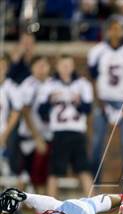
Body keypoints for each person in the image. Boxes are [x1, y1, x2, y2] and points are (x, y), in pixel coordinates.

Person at [88, 16, 123, 183]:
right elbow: (94, 78)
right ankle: (94, 183)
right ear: (107, 30)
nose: (116, 32)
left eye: (119, 28)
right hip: (104, 100)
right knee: (97, 142)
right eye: (113, 28)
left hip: (122, 100)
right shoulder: (98, 51)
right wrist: (99, 101)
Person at [38, 54, 94, 197]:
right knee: (54, 171)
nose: (66, 68)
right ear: (57, 66)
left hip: (77, 131)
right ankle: (49, 208)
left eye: (68, 65)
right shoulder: (49, 85)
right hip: (59, 132)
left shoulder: (82, 84)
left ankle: (94, 207)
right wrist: (51, 100)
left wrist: (78, 102)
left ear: (73, 66)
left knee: (84, 169)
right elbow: (41, 112)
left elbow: (88, 110)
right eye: (63, 65)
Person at [17, 56, 52, 193]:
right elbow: (25, 111)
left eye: (44, 65)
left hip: (47, 135)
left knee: (42, 175)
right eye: (38, 66)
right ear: (32, 68)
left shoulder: (52, 83)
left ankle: (42, 210)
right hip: (30, 136)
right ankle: (14, 207)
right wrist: (37, 137)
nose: (42, 69)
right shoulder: (28, 84)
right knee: (25, 173)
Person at [0, 54, 22, 168]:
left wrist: (4, 135)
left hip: (4, 133)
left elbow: (15, 113)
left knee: (5, 168)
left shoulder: (12, 88)